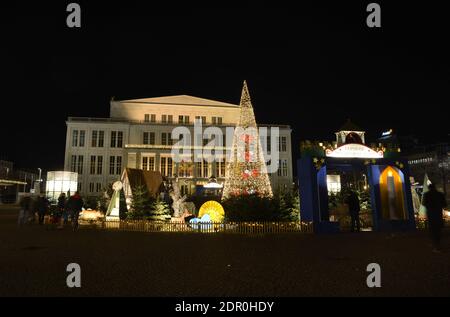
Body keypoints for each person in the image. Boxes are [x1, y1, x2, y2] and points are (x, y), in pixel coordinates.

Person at [422, 183, 447, 252]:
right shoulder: (440, 194)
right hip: (438, 214)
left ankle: (435, 244)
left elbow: (424, 203)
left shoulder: (427, 194)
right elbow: (444, 204)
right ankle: (437, 243)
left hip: (431, 214)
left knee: (432, 230)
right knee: (438, 229)